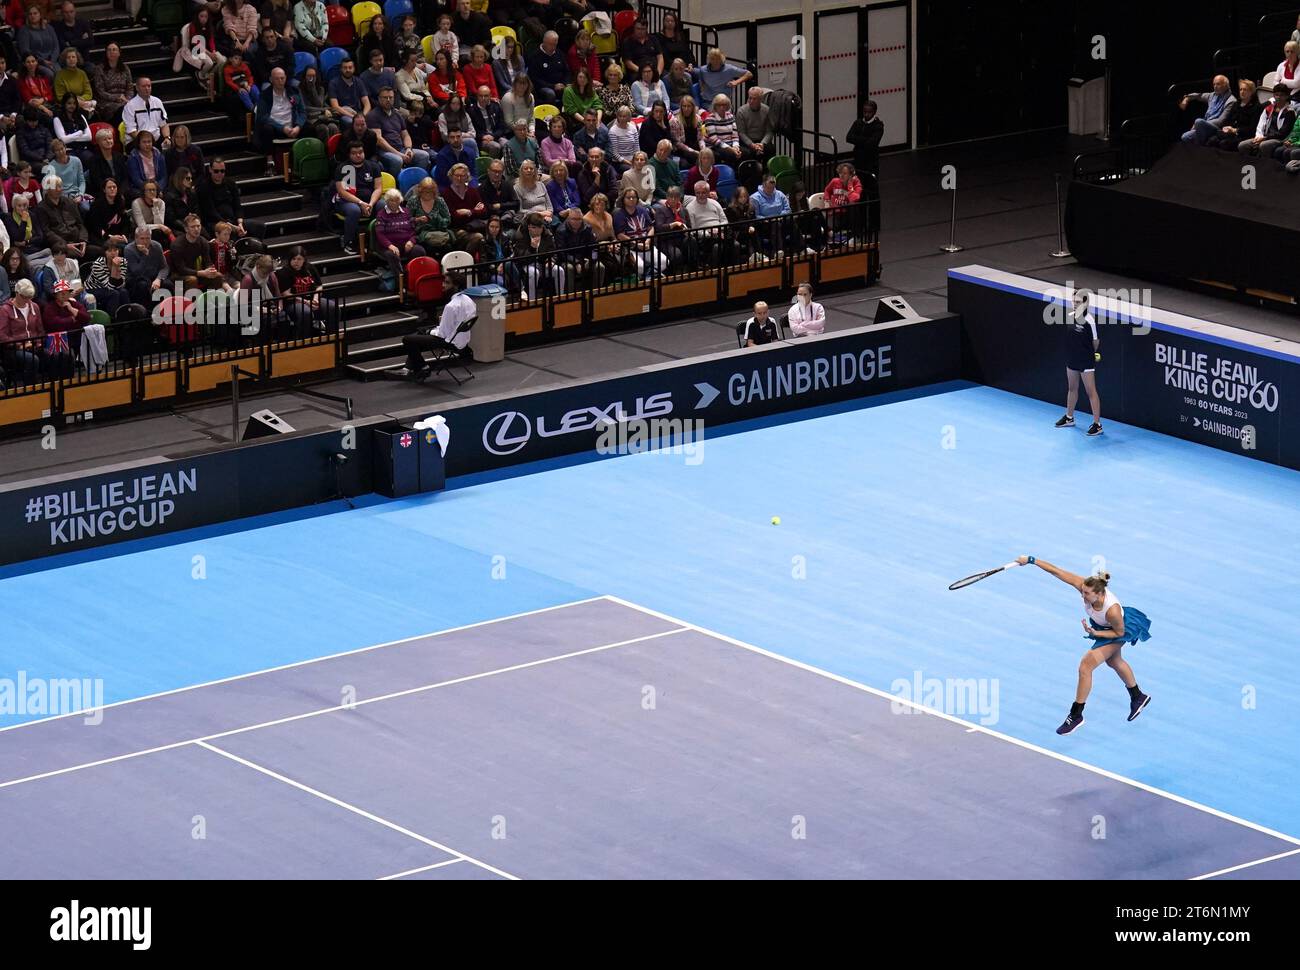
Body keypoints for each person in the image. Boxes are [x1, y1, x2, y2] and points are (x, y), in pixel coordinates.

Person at [1013, 556, 1152, 736]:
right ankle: (1138, 696)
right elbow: (1057, 571)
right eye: (1082, 591)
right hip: (1104, 627)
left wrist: (1096, 634)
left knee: (1085, 666)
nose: (1082, 595)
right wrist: (1031, 560)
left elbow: (1119, 633)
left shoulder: (1112, 610)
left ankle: (1076, 715)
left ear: (1100, 594)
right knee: (1114, 661)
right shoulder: (1085, 587)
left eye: (1086, 594)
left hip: (1119, 629)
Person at [398, 271, 474, 378]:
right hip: (462, 339)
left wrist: (430, 331)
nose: (443, 285)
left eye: (447, 283)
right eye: (444, 282)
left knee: (407, 339)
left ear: (456, 286)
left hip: (450, 342)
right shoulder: (469, 300)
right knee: (419, 333)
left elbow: (442, 334)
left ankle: (422, 367)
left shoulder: (451, 306)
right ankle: (409, 368)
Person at [1055, 289, 1103, 436]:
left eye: (1078, 302)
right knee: (1072, 388)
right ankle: (1069, 418)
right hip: (1072, 359)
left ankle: (1097, 425)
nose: (1075, 304)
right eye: (1073, 301)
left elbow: (1095, 342)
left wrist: (1088, 353)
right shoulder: (1070, 317)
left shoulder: (1090, 321)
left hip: (1086, 361)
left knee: (1091, 392)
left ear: (1085, 303)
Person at [366, 85, 430, 176]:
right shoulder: (373, 115)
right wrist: (399, 154)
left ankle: (416, 182)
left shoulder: (397, 114)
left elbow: (405, 135)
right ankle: (396, 186)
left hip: (401, 149)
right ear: (379, 99)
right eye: (385, 97)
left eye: (390, 97)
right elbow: (379, 140)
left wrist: (408, 149)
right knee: (397, 160)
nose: (388, 100)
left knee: (424, 156)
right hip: (383, 152)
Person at [331, 141, 381, 255]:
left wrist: (371, 204)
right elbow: (342, 192)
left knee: (382, 205)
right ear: (349, 154)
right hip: (347, 201)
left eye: (360, 152)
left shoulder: (373, 166)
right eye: (354, 153)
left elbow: (378, 188)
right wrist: (360, 203)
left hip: (369, 201)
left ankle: (378, 240)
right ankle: (349, 242)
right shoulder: (344, 168)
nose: (358, 155)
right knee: (354, 210)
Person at [254, 66, 304, 173]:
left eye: (282, 78)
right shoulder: (265, 95)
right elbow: (263, 117)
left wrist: (298, 126)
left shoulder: (293, 91)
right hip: (275, 128)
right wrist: (282, 128)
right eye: (277, 79)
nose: (280, 81)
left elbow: (302, 112)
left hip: (293, 127)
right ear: (271, 80)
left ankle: (306, 161)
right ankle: (270, 162)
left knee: (311, 128)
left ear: (286, 78)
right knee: (266, 129)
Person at [0, 278, 50, 382]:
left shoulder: (34, 306)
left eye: (30, 297)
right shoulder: (5, 310)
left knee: (53, 355)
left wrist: (38, 343)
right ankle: (30, 390)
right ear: (17, 293)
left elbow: (40, 330)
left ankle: (50, 387)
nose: (28, 300)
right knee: (32, 360)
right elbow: (2, 336)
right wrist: (20, 345)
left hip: (33, 346)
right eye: (25, 297)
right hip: (13, 350)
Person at [374, 186, 425, 284]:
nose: (394, 203)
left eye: (396, 200)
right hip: (388, 246)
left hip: (406, 244)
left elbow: (414, 231)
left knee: (419, 250)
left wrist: (411, 241)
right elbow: (380, 234)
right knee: (392, 255)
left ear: (400, 200)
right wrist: (390, 246)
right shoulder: (381, 214)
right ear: (387, 201)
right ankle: (401, 284)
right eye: (391, 200)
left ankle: (414, 277)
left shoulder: (406, 212)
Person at [612, 185, 664, 279]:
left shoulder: (642, 210)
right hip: (632, 248)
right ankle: (648, 275)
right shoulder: (619, 214)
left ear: (637, 199)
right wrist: (636, 244)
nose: (631, 199)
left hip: (647, 245)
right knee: (640, 267)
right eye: (628, 197)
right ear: (623, 199)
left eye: (634, 197)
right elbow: (620, 235)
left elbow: (651, 228)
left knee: (664, 262)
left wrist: (648, 240)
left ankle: (649, 275)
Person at [512, 211, 564, 300]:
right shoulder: (520, 236)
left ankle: (560, 298)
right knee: (534, 273)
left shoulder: (547, 234)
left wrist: (551, 260)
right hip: (527, 265)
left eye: (540, 227)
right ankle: (533, 301)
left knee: (559, 270)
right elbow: (521, 259)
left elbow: (553, 252)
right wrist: (532, 248)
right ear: (529, 227)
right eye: (534, 228)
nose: (538, 230)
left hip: (543, 264)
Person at [1179, 75, 1236, 146]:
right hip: (1204, 125)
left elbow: (1221, 121)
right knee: (1185, 137)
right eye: (1214, 84)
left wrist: (1202, 124)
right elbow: (1199, 96)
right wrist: (1187, 98)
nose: (1215, 86)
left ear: (1225, 85)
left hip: (1218, 128)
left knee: (1198, 121)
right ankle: (1200, 148)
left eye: (1218, 84)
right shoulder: (1212, 96)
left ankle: (1200, 149)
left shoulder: (1231, 100)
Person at [405, 176, 452, 255]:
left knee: (448, 247)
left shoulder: (440, 201)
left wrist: (438, 218)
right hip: (420, 234)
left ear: (434, 191)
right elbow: (406, 219)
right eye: (425, 191)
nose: (427, 194)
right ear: (420, 191)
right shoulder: (413, 200)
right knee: (427, 248)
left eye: (430, 191)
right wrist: (418, 219)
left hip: (438, 232)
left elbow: (448, 220)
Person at [123, 223, 167, 305]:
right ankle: (147, 313)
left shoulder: (157, 246)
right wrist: (145, 255)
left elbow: (164, 267)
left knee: (168, 284)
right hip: (136, 279)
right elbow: (136, 272)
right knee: (143, 285)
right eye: (142, 238)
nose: (145, 242)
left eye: (148, 238)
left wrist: (158, 279)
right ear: (136, 238)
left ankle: (167, 310)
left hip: (153, 277)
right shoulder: (129, 249)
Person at [122, 76, 170, 148]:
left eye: (149, 86)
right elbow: (131, 131)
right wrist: (147, 142)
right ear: (137, 88)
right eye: (143, 86)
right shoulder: (130, 106)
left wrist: (167, 137)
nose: (147, 88)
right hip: (137, 141)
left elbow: (164, 124)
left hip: (155, 140)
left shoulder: (157, 102)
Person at [90, 42, 131, 123]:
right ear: (106, 53)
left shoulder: (125, 68)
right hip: (106, 102)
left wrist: (127, 99)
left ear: (119, 53)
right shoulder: (99, 69)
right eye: (109, 50)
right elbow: (100, 92)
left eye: (114, 50)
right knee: (122, 109)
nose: (112, 52)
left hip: (124, 100)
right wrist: (117, 97)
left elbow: (130, 87)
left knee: (135, 106)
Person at [525, 30, 566, 106]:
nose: (553, 47)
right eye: (550, 44)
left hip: (560, 85)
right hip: (543, 87)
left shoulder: (559, 53)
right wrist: (553, 86)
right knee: (550, 94)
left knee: (570, 90)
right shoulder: (535, 56)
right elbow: (534, 78)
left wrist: (565, 83)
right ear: (544, 42)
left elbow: (567, 71)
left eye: (555, 45)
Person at [86, 126, 127, 198]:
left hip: (120, 190)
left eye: (110, 138)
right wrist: (111, 191)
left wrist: (120, 191)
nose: (108, 141)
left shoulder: (119, 156)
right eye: (105, 139)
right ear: (98, 142)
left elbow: (125, 177)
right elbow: (97, 181)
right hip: (103, 191)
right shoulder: (94, 160)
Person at [846, 99, 883, 180]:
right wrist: (865, 139)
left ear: (874, 112)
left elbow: (872, 143)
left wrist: (858, 139)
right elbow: (849, 137)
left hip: (871, 161)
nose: (866, 114)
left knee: (870, 185)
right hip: (858, 158)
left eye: (869, 112)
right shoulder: (858, 122)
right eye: (865, 112)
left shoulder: (878, 126)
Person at [468, 83, 507, 158]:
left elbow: (502, 126)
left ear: (490, 96)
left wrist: (493, 136)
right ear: (477, 96)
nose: (483, 98)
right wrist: (483, 136)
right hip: (481, 139)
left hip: (496, 136)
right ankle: (492, 167)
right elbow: (473, 129)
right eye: (480, 96)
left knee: (507, 144)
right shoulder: (472, 111)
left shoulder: (496, 106)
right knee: (495, 147)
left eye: (486, 96)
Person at [327, 56, 369, 123]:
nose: (348, 70)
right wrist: (353, 117)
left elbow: (367, 104)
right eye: (345, 68)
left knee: (373, 119)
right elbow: (335, 106)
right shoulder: (333, 83)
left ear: (354, 68)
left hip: (358, 113)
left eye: (350, 67)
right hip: (343, 114)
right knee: (350, 121)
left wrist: (363, 115)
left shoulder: (359, 81)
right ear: (341, 69)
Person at [703, 93, 742, 166]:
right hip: (716, 146)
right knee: (730, 155)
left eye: (724, 105)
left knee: (746, 153)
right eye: (719, 105)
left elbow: (735, 135)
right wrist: (731, 149)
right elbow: (714, 140)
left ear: (728, 106)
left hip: (730, 144)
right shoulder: (709, 119)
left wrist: (736, 147)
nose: (722, 107)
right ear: (715, 106)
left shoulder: (730, 116)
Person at [736, 86, 773, 161]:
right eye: (750, 98)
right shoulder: (741, 111)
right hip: (747, 142)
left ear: (760, 99)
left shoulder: (766, 110)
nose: (751, 101)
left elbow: (769, 131)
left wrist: (762, 144)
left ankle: (766, 171)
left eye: (754, 99)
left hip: (761, 141)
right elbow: (741, 133)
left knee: (771, 149)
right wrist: (752, 144)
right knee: (747, 153)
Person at [52, 45, 92, 114]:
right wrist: (75, 101)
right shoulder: (59, 75)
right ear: (65, 60)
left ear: (77, 59)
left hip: (83, 102)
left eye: (73, 57)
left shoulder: (82, 73)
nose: (71, 59)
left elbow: (88, 93)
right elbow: (60, 96)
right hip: (67, 105)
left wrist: (81, 100)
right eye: (68, 57)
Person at [126, 128, 166, 195]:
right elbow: (136, 179)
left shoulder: (159, 155)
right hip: (140, 188)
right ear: (139, 143)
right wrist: (149, 190)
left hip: (157, 187)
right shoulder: (133, 157)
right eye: (144, 142)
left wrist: (158, 189)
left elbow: (163, 176)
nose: (147, 144)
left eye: (149, 141)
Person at [131, 178, 170, 245]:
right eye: (149, 190)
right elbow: (141, 226)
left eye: (154, 190)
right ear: (144, 192)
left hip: (156, 231)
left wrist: (155, 207)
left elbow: (160, 223)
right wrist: (160, 226)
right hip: (139, 231)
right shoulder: (137, 203)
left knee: (159, 233)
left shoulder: (161, 203)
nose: (152, 192)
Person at [52, 91, 90, 162]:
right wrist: (79, 133)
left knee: (91, 159)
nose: (72, 106)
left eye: (74, 103)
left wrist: (69, 137)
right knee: (74, 161)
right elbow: (63, 140)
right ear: (64, 104)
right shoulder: (57, 118)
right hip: (68, 150)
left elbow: (89, 137)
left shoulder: (80, 116)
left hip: (82, 149)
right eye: (69, 103)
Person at [670, 94, 704, 166]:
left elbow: (701, 138)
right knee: (694, 158)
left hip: (695, 146)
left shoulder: (698, 119)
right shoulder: (674, 121)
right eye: (684, 106)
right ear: (681, 107)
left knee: (709, 155)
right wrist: (694, 151)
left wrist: (703, 150)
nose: (686, 109)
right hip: (682, 149)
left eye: (689, 106)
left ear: (692, 107)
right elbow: (677, 143)